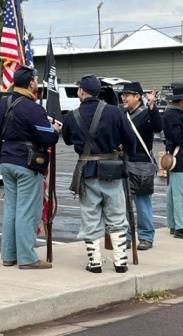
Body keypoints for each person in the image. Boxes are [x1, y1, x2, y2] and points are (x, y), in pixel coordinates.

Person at [62, 74, 135, 274]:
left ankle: (95, 262)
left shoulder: (72, 116)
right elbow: (130, 141)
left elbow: (67, 140)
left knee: (90, 216)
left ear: (82, 91)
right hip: (112, 168)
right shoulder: (115, 112)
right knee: (118, 215)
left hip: (87, 171)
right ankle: (121, 261)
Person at [0, 65, 61, 269]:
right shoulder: (33, 108)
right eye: (35, 79)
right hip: (27, 162)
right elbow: (47, 137)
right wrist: (55, 130)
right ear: (30, 82)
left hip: (6, 159)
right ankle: (26, 258)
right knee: (26, 211)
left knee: (11, 209)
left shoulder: (3, 103)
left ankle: (8, 255)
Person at [121, 82, 162, 250]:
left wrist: (152, 105)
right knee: (125, 203)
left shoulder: (147, 113)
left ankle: (146, 236)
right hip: (124, 161)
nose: (124, 98)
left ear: (137, 97)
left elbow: (158, 127)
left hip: (142, 162)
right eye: (123, 95)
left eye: (127, 95)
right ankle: (127, 236)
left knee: (143, 202)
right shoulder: (121, 114)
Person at [163, 82, 183, 239]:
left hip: (176, 157)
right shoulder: (173, 115)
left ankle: (174, 225)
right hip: (180, 157)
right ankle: (181, 227)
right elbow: (178, 137)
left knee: (173, 193)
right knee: (180, 193)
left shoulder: (176, 113)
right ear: (182, 99)